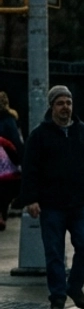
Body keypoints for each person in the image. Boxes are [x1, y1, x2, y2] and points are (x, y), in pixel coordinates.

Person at [20, 85, 84, 309]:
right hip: (51, 206)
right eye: (60, 103)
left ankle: (75, 286)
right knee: (54, 253)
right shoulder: (40, 135)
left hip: (80, 203)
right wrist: (31, 199)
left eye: (68, 103)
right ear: (52, 107)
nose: (65, 107)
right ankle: (58, 298)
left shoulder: (83, 131)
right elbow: (30, 169)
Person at [0, 92, 23, 231]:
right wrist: (19, 159)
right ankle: (2, 214)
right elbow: (16, 141)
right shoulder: (10, 120)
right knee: (5, 189)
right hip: (7, 160)